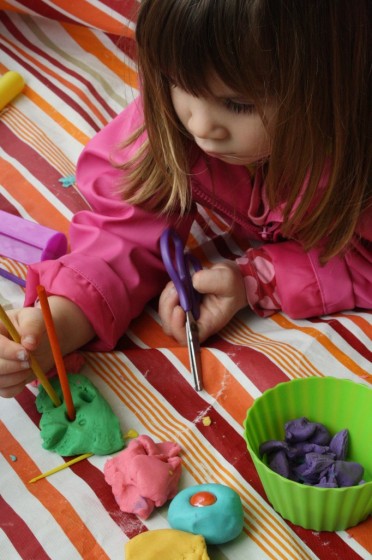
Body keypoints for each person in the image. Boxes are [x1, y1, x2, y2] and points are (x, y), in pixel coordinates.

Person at [0, 0, 370, 398]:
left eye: (237, 104)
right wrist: (61, 319)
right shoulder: (172, 117)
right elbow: (128, 223)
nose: (199, 124)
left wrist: (264, 279)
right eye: (178, 81)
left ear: (338, 86)